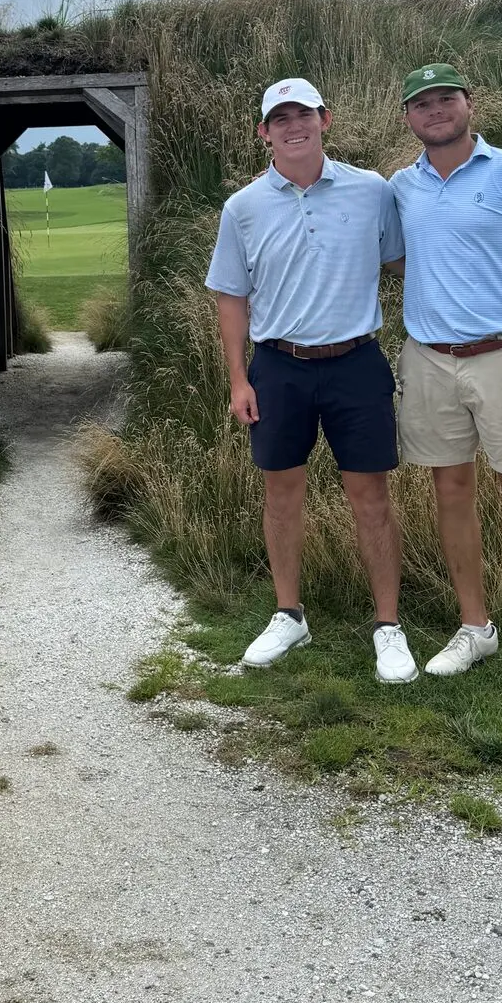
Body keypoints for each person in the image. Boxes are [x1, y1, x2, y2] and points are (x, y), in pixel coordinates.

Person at [206, 78, 417, 683]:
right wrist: (237, 379)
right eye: (280, 118)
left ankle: (388, 626)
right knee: (282, 493)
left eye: (304, 114)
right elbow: (231, 297)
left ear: (326, 119)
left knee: (370, 496)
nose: (293, 126)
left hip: (356, 361)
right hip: (278, 366)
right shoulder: (242, 208)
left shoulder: (371, 191)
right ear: (263, 132)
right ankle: (289, 614)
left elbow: (403, 262)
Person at [389, 64, 502, 703]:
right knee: (451, 491)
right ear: (408, 117)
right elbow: (400, 258)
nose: (435, 111)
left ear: (469, 105)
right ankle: (476, 627)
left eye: (447, 99)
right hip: (430, 358)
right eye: (423, 103)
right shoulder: (401, 187)